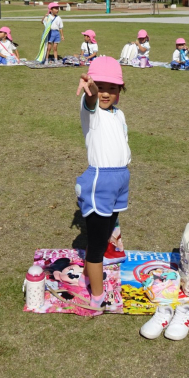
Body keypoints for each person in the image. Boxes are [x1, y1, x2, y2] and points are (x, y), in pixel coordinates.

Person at [75, 56, 130, 314]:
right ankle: (97, 298)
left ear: (120, 90)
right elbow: (91, 101)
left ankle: (93, 273)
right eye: (101, 86)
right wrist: (91, 92)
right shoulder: (92, 110)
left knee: (107, 232)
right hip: (100, 181)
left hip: (120, 179)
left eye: (113, 87)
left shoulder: (119, 115)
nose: (106, 93)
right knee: (96, 245)